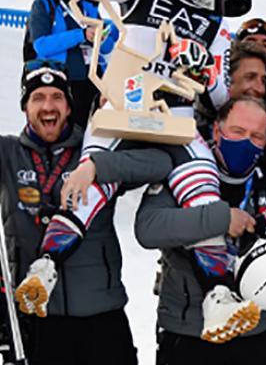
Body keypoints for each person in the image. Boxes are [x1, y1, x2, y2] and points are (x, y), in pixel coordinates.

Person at [33, 0, 233, 323]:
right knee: (92, 178)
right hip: (123, 108)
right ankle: (45, 267)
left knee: (203, 181)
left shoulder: (216, 17)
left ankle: (218, 294)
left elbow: (218, 96)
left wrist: (203, 69)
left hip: (174, 119)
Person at [134, 96, 266, 364]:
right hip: (191, 334)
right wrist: (221, 219)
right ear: (217, 131)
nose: (246, 141)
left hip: (258, 333)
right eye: (237, 132)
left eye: (256, 136)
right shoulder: (182, 172)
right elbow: (148, 229)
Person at [2, 60, 171, 364]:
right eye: (38, 98)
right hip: (38, 319)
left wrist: (98, 167)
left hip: (101, 316)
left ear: (69, 107)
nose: (48, 106)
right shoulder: (8, 154)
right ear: (25, 107)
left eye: (57, 97)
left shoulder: (95, 148)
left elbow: (160, 162)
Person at [25, 0, 118, 128]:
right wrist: (81, 35)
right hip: (61, 83)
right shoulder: (45, 2)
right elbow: (41, 45)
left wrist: (103, 37)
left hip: (92, 82)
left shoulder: (88, 2)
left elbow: (105, 47)